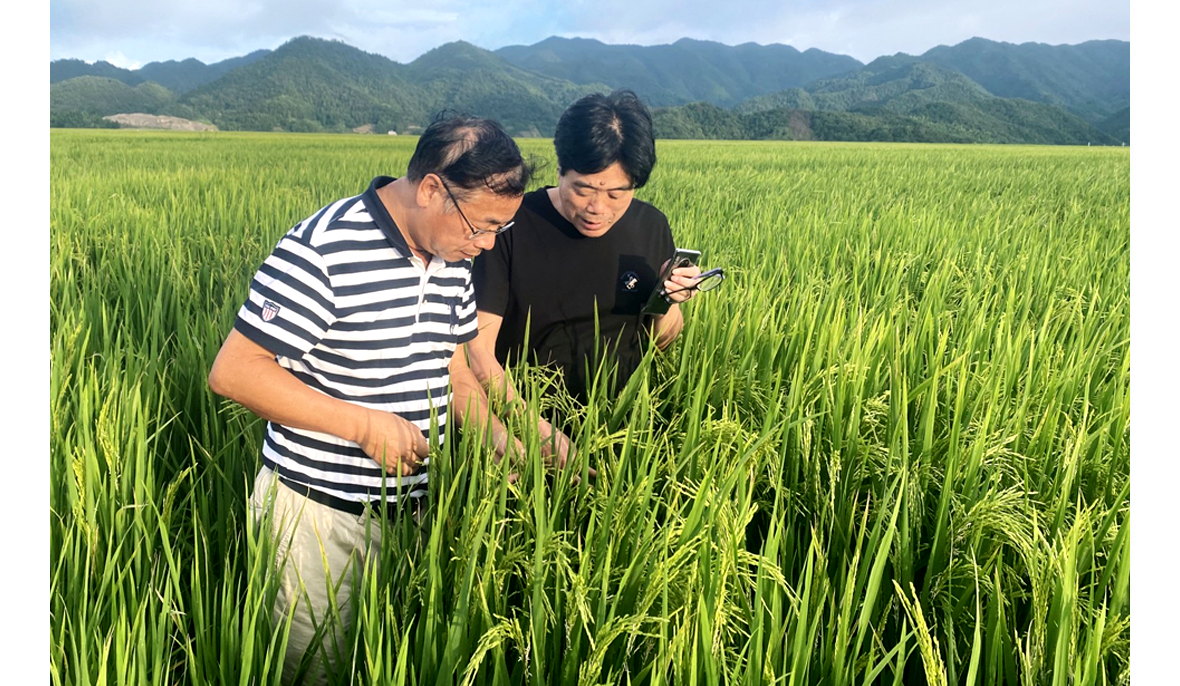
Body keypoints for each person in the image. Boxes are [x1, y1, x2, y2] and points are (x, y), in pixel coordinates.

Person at [207, 114, 532, 684]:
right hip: (318, 518)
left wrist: (495, 434)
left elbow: (453, 372)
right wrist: (361, 425)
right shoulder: (323, 248)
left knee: (386, 662)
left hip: (415, 513)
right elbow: (235, 372)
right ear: (432, 188)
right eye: (481, 227)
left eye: (498, 232)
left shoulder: (452, 258)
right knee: (314, 671)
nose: (485, 246)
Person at [468, 90, 702, 458]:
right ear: (560, 169)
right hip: (526, 432)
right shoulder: (510, 227)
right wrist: (533, 429)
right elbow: (477, 351)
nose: (597, 208)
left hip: (620, 428)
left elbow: (662, 341)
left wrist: (667, 301)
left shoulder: (650, 226)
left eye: (616, 195)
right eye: (583, 189)